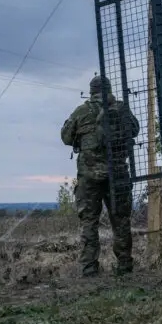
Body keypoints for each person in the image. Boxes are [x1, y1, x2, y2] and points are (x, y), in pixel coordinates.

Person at [61, 74, 139, 277]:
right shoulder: (121, 109)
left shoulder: (82, 111)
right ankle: (124, 266)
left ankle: (89, 268)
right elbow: (135, 129)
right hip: (118, 173)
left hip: (89, 177)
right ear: (109, 89)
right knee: (121, 220)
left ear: (91, 91)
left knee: (89, 222)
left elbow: (66, 137)